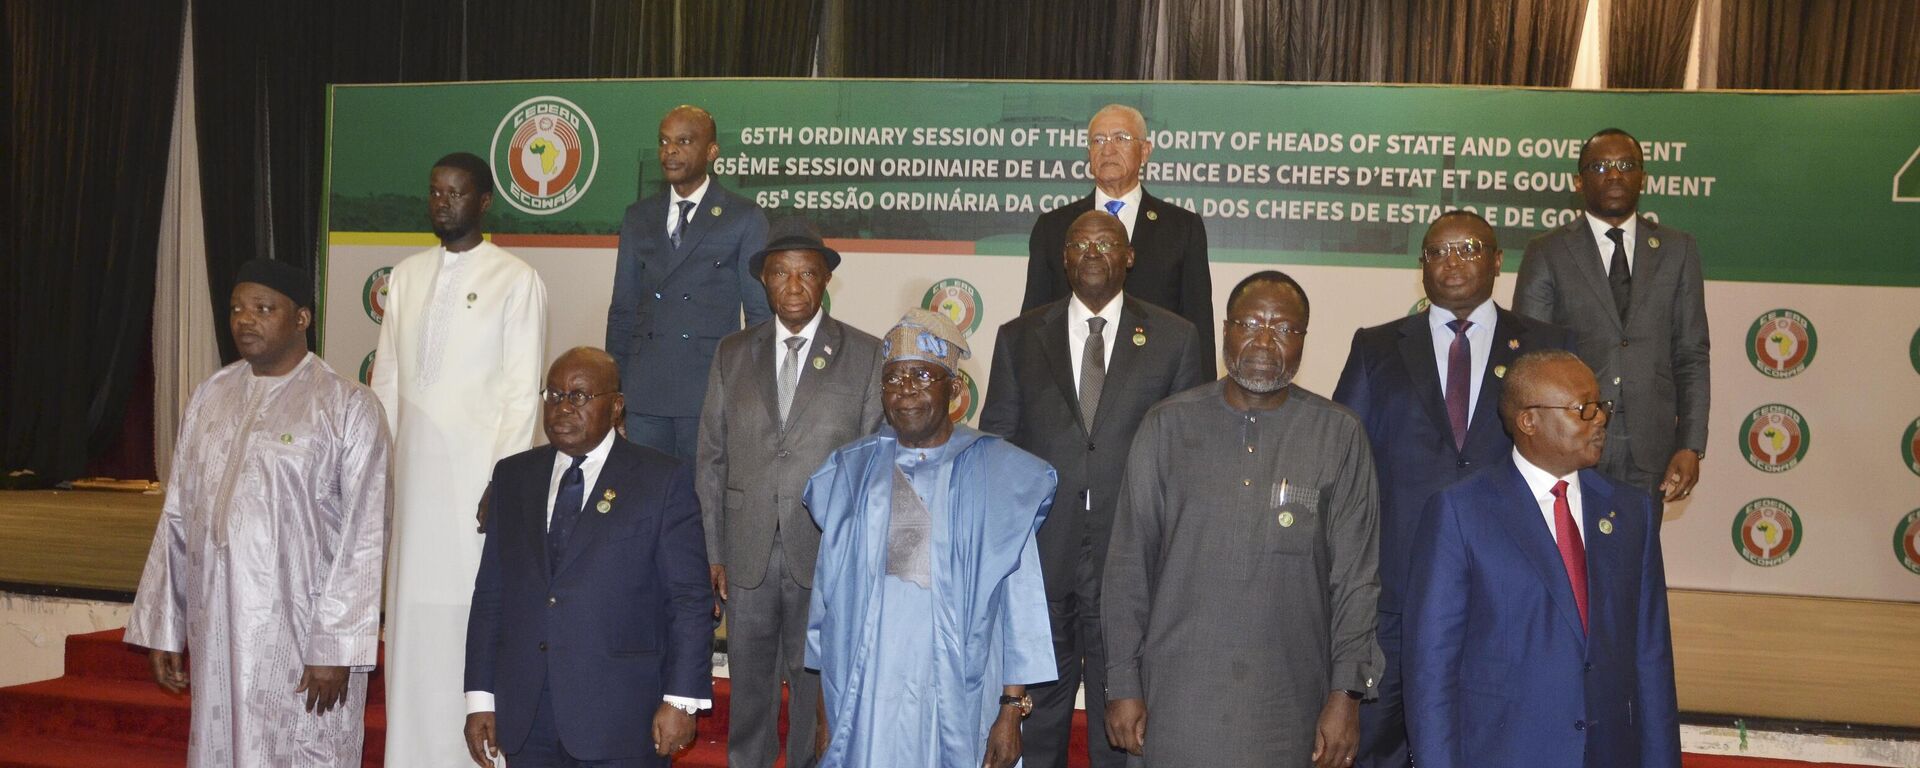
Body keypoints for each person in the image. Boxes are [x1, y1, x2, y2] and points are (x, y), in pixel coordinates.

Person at [1103, 271, 1382, 768]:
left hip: (1290, 705)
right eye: (1249, 323)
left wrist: (1346, 695)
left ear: (1302, 342)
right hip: (1176, 700)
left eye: (1283, 328)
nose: (1264, 340)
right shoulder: (1166, 425)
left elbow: (1356, 580)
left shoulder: (1339, 434)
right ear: (1226, 330)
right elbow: (1128, 566)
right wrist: (1122, 683)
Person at [127, 259, 390, 766]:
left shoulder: (346, 406)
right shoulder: (210, 396)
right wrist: (165, 624)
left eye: (264, 308)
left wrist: (334, 647)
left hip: (300, 637)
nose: (246, 319)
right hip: (217, 623)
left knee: (301, 749)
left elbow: (364, 535)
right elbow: (179, 515)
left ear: (301, 318)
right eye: (236, 309)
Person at [1332, 211, 1568, 767]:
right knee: (1375, 746)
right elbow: (1344, 462)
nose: (1453, 261)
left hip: (1505, 590)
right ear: (1422, 268)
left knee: (1491, 742)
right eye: (1438, 251)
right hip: (1396, 591)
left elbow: (1565, 459)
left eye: (1468, 248)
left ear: (1496, 261)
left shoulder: (1547, 346)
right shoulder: (1376, 346)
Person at [979, 210, 1208, 768]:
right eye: (1079, 243)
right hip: (1041, 557)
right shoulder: (1019, 336)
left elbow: (1189, 456)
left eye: (1106, 243)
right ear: (1064, 258)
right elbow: (998, 444)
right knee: (1041, 713)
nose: (1091, 251)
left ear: (1129, 256)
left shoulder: (1175, 338)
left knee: (1122, 713)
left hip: (1130, 560)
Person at [804, 309, 1056, 768]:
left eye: (922, 375)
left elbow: (1021, 606)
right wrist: (826, 711)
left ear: (955, 390)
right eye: (893, 379)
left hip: (957, 692)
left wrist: (1010, 711)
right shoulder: (849, 472)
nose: (905, 391)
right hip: (868, 698)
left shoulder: (998, 473)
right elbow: (828, 603)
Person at [1403, 349, 1679, 768]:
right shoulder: (1461, 512)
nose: (1600, 419)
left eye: (1600, 406)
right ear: (1528, 420)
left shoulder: (1629, 512)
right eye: (1582, 409)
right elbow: (1431, 671)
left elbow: (1652, 660)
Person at [374, 151, 548, 767]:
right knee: (414, 630)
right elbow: (388, 382)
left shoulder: (515, 278)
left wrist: (503, 479)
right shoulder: (406, 276)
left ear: (483, 202)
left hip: (480, 487)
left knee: (473, 620)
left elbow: (522, 392)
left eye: (456, 192)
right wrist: (381, 472)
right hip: (414, 487)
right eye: (434, 191)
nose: (442, 201)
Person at [463, 347, 712, 768]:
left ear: (616, 406)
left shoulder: (661, 478)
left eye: (579, 396)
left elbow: (689, 599)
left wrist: (682, 699)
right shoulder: (513, 475)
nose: (563, 407)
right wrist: (480, 697)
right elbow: (491, 595)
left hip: (622, 716)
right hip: (527, 714)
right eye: (554, 394)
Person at [696, 218, 884, 768]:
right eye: (781, 273)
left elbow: (872, 465)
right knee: (749, 690)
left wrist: (855, 556)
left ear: (826, 280)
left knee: (814, 690)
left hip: (824, 553)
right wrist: (712, 551)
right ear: (764, 281)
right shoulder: (732, 353)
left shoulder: (865, 354)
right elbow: (710, 456)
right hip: (745, 551)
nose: (794, 285)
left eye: (807, 273)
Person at [1515, 128, 1709, 504]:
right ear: (1579, 180)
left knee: (1639, 560)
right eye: (1600, 166)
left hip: (1650, 450)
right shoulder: (1547, 251)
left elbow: (1692, 354)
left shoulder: (1677, 250)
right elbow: (1531, 359)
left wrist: (1691, 444)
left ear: (1644, 177)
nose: (1615, 174)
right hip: (1569, 440)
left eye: (1626, 165)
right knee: (1570, 560)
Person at [608, 104, 772, 460]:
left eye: (684, 141)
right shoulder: (638, 217)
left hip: (707, 387)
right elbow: (623, 309)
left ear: (711, 151)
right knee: (642, 499)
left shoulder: (743, 217)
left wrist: (750, 391)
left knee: (699, 504)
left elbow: (758, 315)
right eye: (664, 141)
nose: (670, 150)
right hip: (645, 390)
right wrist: (613, 390)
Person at [1023, 104, 1215, 372]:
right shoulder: (1053, 226)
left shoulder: (1182, 227)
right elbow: (1034, 323)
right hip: (1070, 385)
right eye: (1098, 140)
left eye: (1121, 138)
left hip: (1155, 388)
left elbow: (1198, 326)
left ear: (1145, 151)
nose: (1108, 149)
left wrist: (1198, 404)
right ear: (1088, 153)